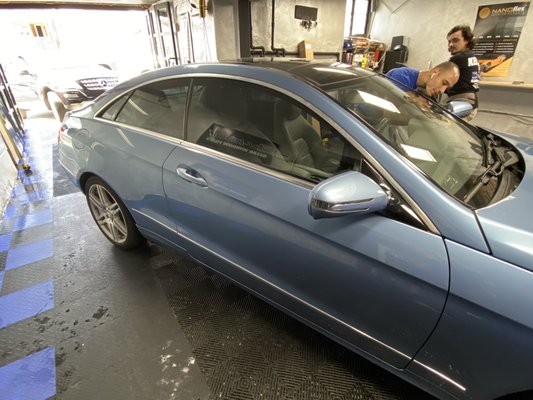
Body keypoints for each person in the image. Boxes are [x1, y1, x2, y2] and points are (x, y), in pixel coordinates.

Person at [446, 25, 481, 121]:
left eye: (455, 40)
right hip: (470, 103)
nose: (451, 44)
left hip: (460, 103)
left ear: (467, 41)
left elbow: (441, 79)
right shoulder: (471, 56)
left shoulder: (458, 58)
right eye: (449, 41)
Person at [386, 61, 460, 98]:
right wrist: (415, 101)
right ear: (435, 72)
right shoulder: (399, 75)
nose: (442, 91)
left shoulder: (426, 93)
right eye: (444, 83)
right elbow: (388, 115)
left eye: (447, 89)